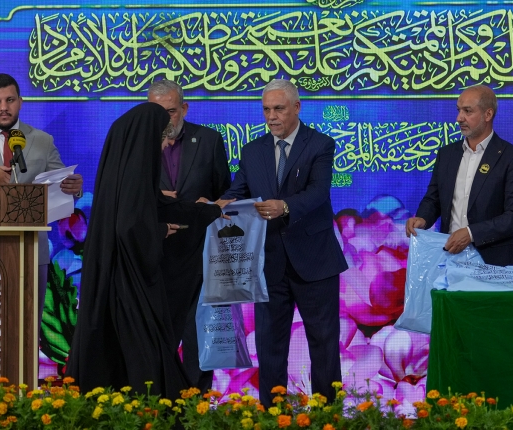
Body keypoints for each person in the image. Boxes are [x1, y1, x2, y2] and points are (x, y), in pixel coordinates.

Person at [66, 103, 224, 397]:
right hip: (128, 286)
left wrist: (210, 210)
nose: (165, 146)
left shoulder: (124, 171)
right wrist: (160, 230)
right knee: (144, 357)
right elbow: (129, 228)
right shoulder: (136, 172)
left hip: (117, 279)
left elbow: (159, 206)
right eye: (162, 138)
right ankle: (149, 409)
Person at [218, 79, 348, 407]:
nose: (271, 116)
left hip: (315, 262)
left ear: (296, 107)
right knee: (270, 346)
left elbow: (318, 193)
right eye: (266, 110)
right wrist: (220, 204)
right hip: (269, 263)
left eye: (278, 109)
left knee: (324, 344)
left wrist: (285, 206)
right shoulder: (253, 150)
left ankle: (327, 415)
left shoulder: (320, 144)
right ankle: (272, 414)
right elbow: (238, 191)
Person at [0, 73, 83, 328]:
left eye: (9, 100)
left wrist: (74, 188)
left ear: (20, 102)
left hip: (31, 247)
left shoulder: (42, 141)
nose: (4, 107)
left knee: (27, 325)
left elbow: (61, 182)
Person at [148, 79, 231, 393]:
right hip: (154, 255)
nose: (164, 120)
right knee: (158, 338)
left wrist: (210, 205)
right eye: (156, 112)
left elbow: (226, 194)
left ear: (184, 108)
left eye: (170, 111)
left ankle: (197, 407)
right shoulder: (138, 145)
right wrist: (157, 199)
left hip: (198, 256)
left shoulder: (208, 140)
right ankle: (158, 404)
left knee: (198, 340)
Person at [405, 85, 513, 267]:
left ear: (488, 115)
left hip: (494, 263)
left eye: (467, 111)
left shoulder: (511, 158)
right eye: (458, 110)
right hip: (450, 260)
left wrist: (471, 233)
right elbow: (433, 199)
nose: (459, 118)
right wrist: (423, 218)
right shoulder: (446, 154)